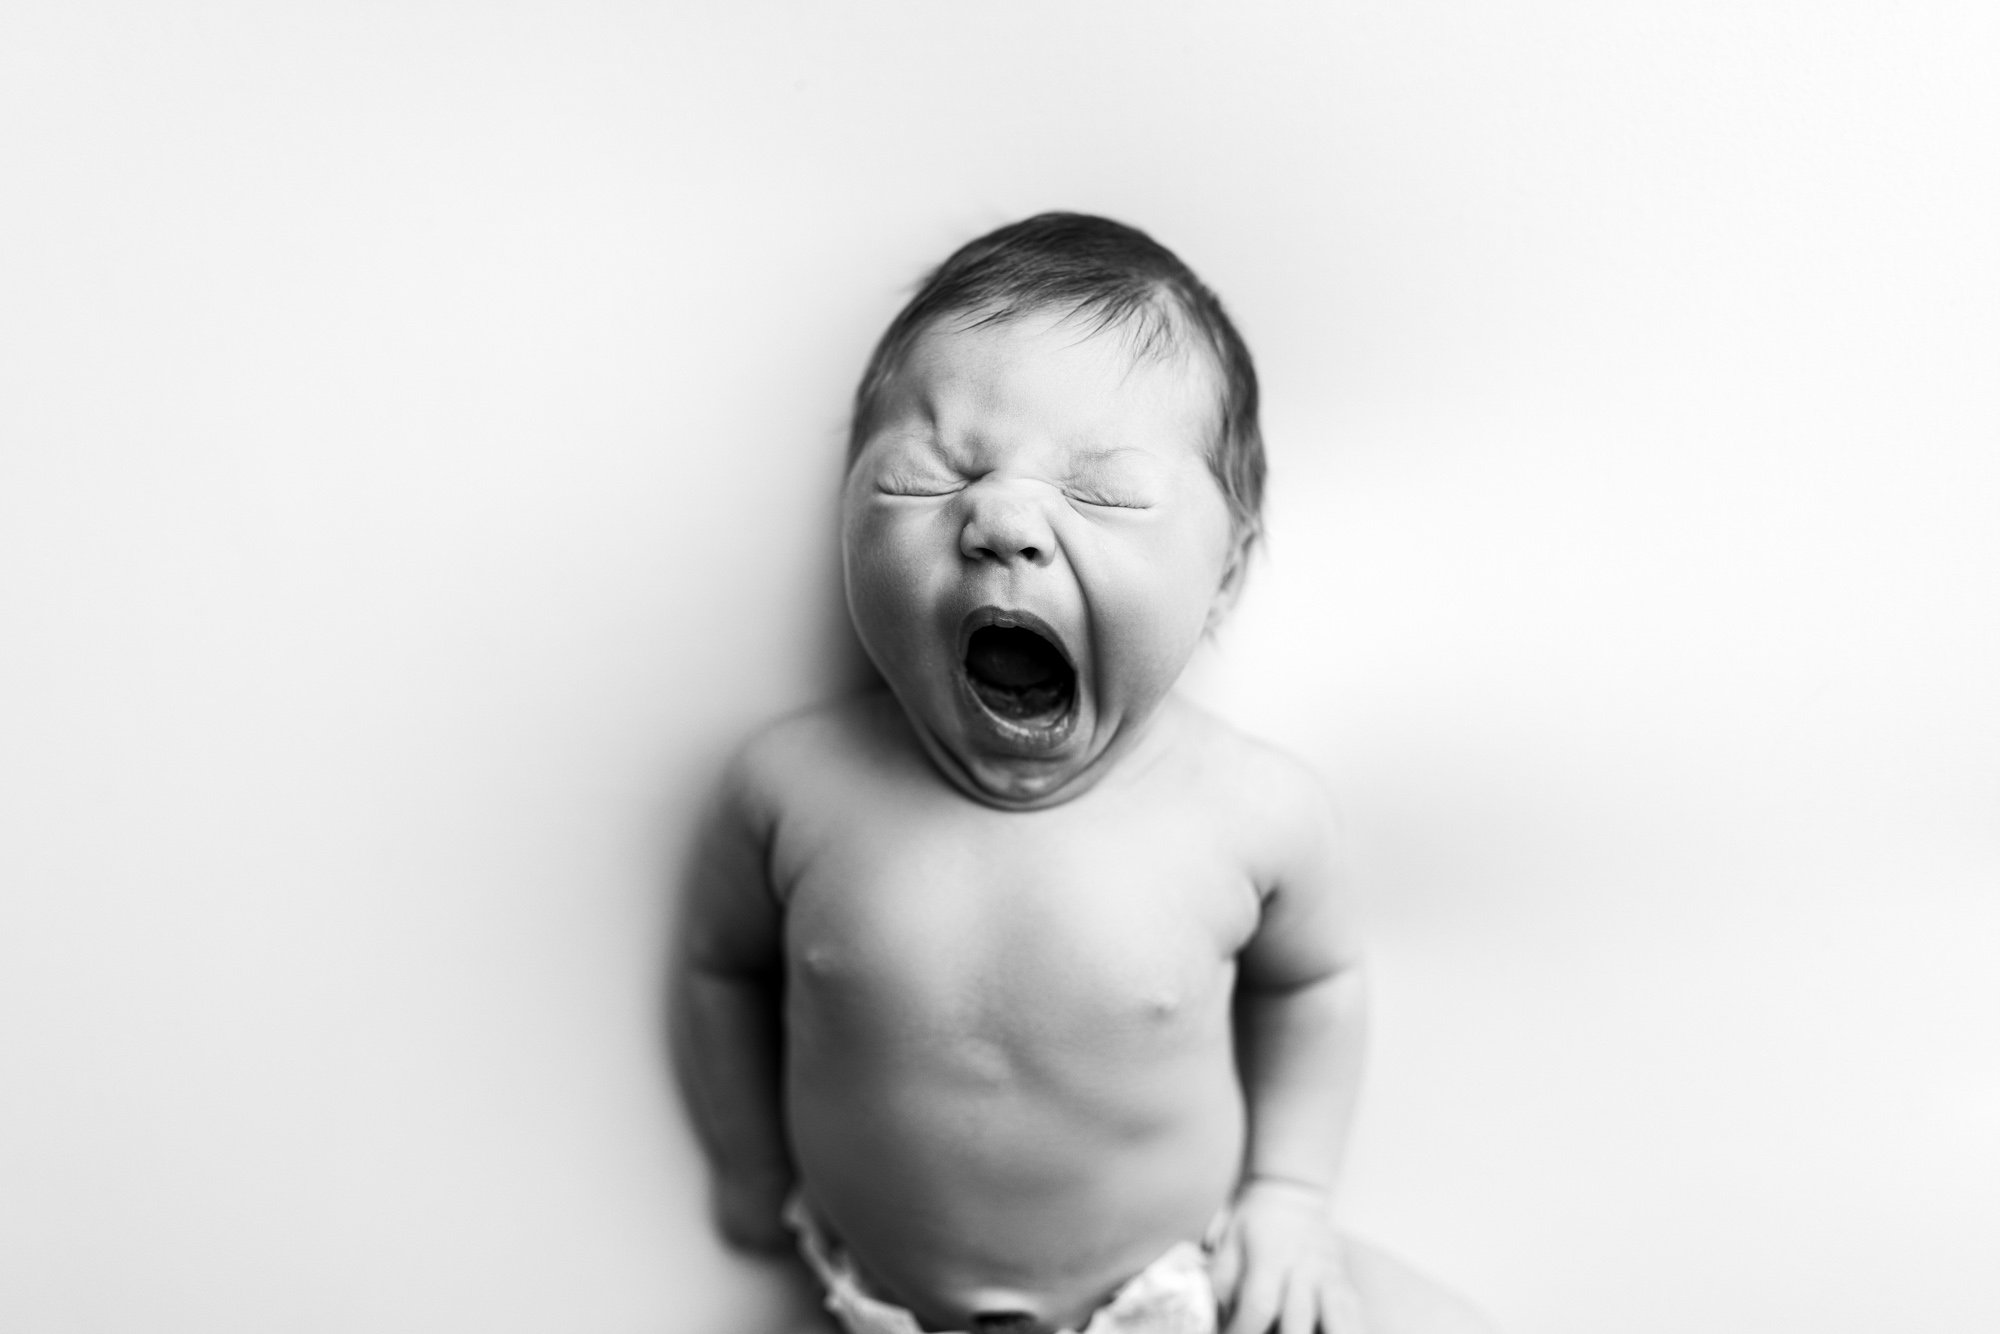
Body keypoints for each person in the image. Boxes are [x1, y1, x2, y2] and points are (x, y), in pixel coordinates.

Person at [674, 214, 1492, 1334]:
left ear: (1221, 576)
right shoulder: (788, 791)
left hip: (1173, 1290)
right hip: (880, 1306)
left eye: (1103, 492)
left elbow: (1315, 984)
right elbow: (722, 968)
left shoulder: (1252, 813)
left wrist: (1291, 1197)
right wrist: (745, 1160)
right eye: (928, 475)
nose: (998, 517)